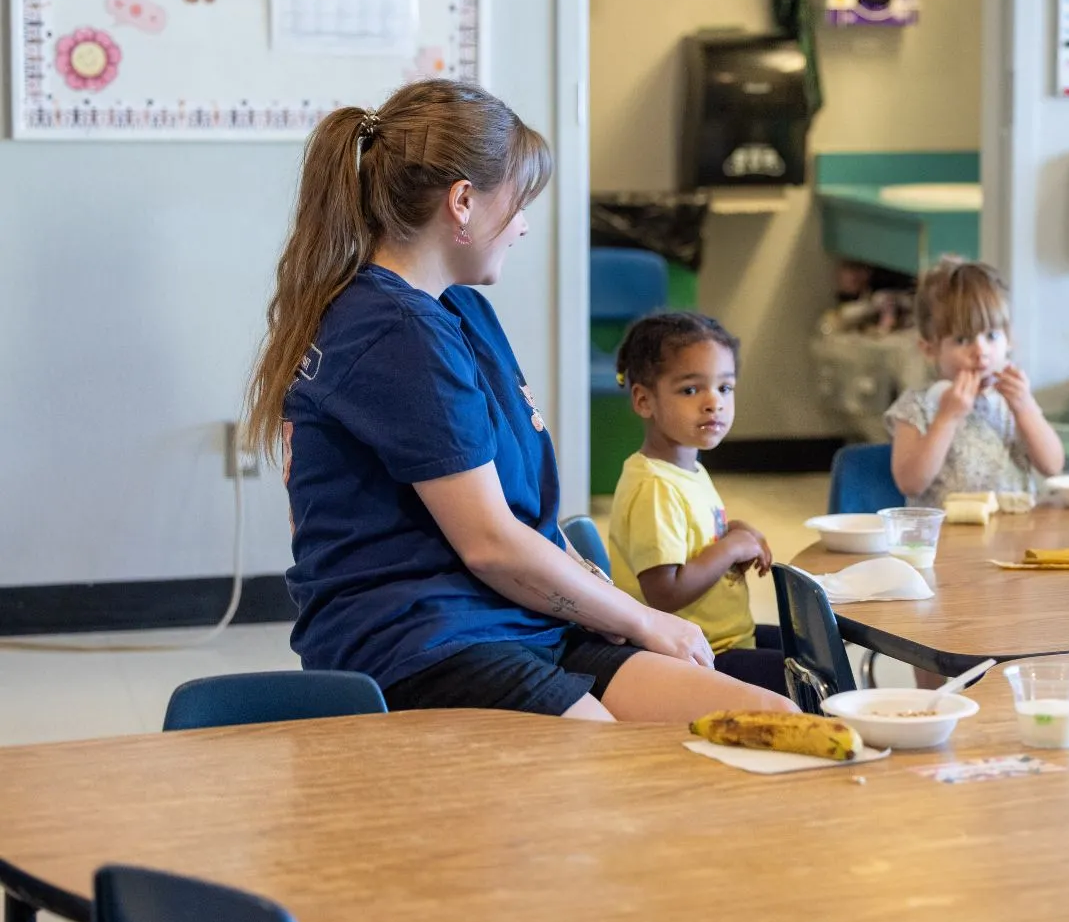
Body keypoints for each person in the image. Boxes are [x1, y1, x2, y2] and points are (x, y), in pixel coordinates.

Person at [242, 79, 794, 722]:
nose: (525, 225)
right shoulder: (393, 329)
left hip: (513, 621)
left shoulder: (458, 309)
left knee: (767, 721)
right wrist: (643, 619)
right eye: (520, 202)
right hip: (425, 644)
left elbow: (523, 526)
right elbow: (491, 545)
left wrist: (604, 604)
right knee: (611, 766)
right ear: (464, 202)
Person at [606, 311, 787, 696]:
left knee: (815, 649)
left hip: (724, 641)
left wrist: (735, 531)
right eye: (691, 390)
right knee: (812, 677)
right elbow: (664, 592)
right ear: (644, 400)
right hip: (696, 657)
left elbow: (693, 539)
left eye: (725, 388)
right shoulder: (654, 486)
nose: (713, 403)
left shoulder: (685, 469)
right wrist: (730, 548)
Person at [886, 257, 1065, 506]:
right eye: (962, 340)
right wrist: (946, 419)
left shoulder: (1011, 401)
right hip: (948, 539)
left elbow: (1053, 466)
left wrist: (1026, 408)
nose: (981, 351)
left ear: (1009, 340)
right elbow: (910, 483)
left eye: (991, 336)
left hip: (1014, 534)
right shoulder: (917, 406)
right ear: (930, 350)